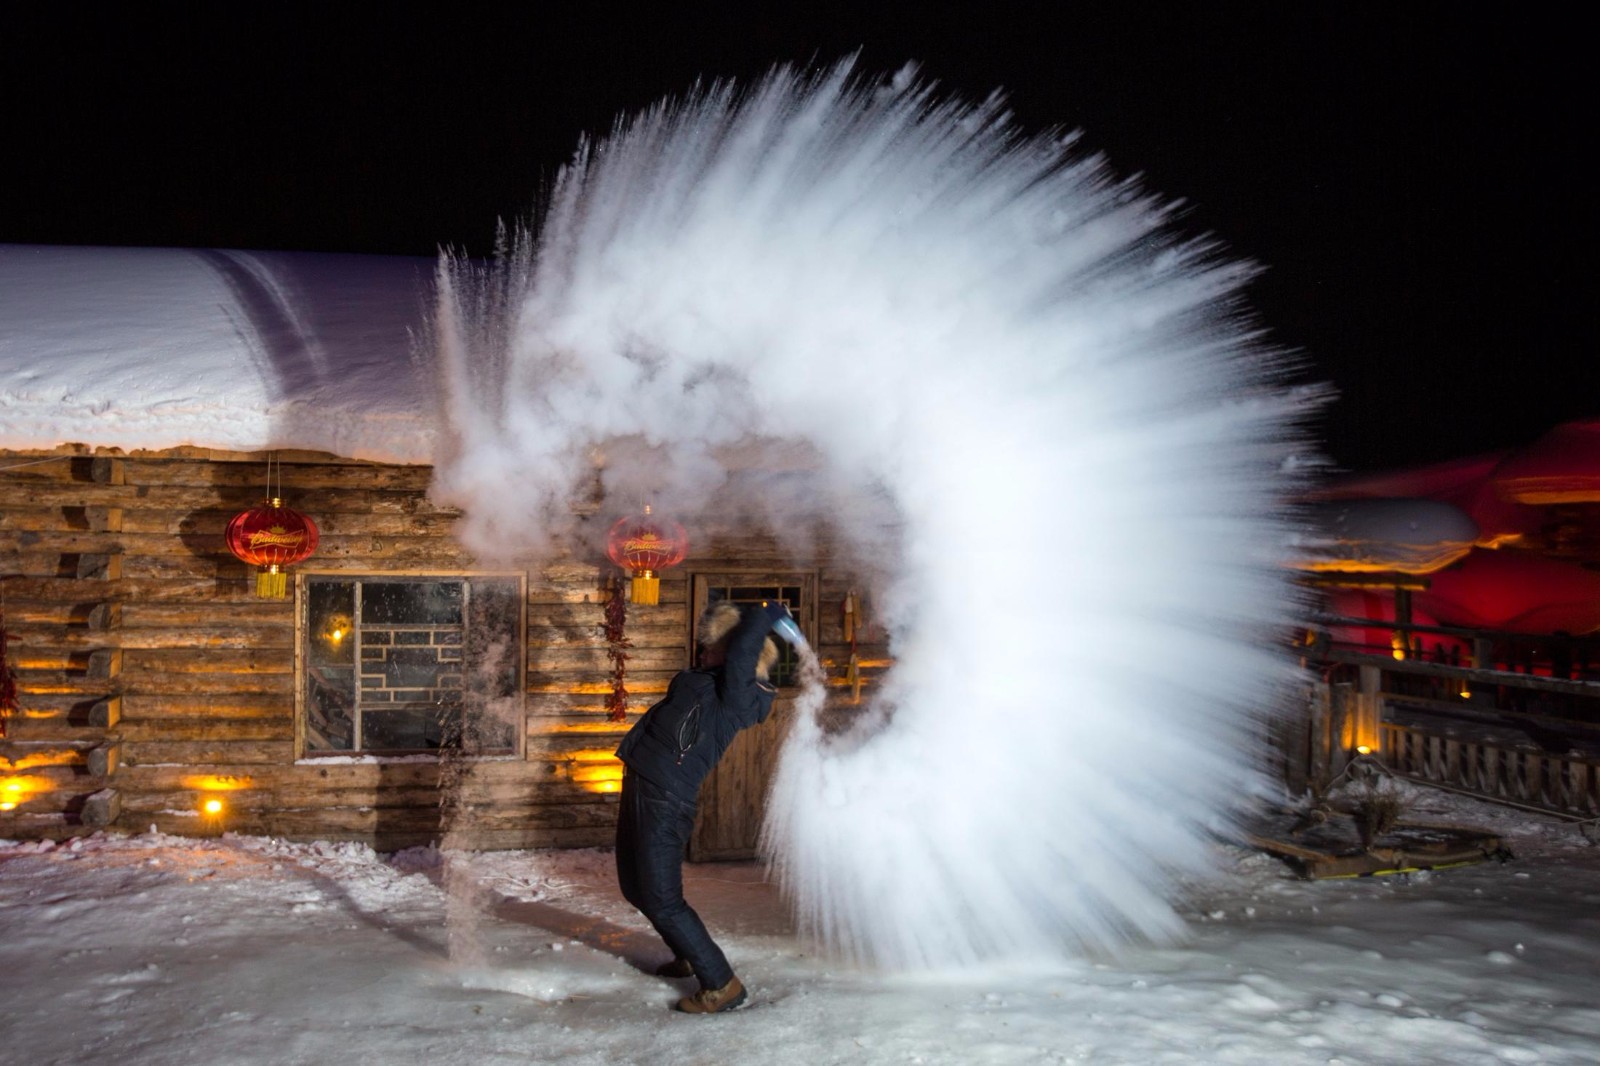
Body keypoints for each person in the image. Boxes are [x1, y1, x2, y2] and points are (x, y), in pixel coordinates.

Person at [614, 599, 790, 1014]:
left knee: (661, 897)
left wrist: (764, 613)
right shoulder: (703, 681)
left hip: (665, 797)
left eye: (711, 646)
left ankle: (722, 985)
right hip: (643, 785)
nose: (701, 651)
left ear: (730, 654)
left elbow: (744, 652)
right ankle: (688, 953)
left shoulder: (738, 696)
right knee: (635, 888)